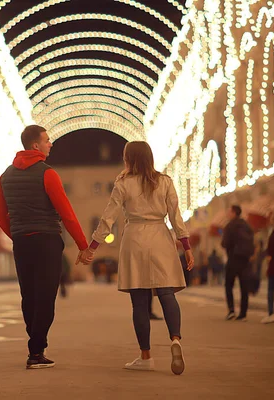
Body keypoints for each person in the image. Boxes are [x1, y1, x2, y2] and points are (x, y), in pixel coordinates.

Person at [79, 141, 194, 375]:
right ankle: (175, 339)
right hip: (160, 236)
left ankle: (146, 356)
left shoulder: (123, 184)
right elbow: (175, 216)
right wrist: (187, 246)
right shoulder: (165, 181)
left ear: (129, 159)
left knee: (139, 301)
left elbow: (108, 218)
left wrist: (92, 247)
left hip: (134, 239)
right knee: (166, 292)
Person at [0, 125, 88, 370]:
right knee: (46, 296)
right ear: (35, 145)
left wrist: (16, 234)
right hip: (46, 240)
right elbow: (66, 213)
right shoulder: (48, 174)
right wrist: (83, 245)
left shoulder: (5, 176)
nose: (51, 144)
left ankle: (35, 346)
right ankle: (36, 351)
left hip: (22, 242)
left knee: (29, 295)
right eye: (47, 140)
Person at [221, 205, 254, 321]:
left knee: (228, 285)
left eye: (229, 211)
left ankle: (231, 310)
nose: (227, 214)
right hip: (245, 260)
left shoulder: (230, 226)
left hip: (233, 259)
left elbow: (224, 243)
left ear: (234, 212)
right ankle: (243, 313)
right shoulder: (246, 225)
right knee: (244, 287)